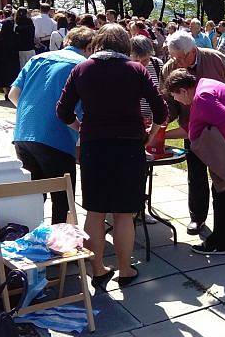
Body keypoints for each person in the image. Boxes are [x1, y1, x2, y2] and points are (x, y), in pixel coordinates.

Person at [56, 25, 167, 287]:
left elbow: (62, 111)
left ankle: (97, 269)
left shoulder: (82, 69)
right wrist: (149, 136)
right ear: (124, 44)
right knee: (124, 213)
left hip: (94, 147)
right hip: (129, 148)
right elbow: (161, 112)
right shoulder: (136, 69)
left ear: (98, 42)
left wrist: (81, 127)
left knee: (95, 211)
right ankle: (125, 269)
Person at [164, 70, 225, 255]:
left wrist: (220, 145)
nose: (176, 100)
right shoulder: (204, 86)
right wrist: (163, 136)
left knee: (224, 192)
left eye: (175, 95)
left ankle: (219, 243)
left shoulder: (202, 98)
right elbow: (191, 128)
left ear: (184, 90)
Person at [160, 31, 225, 235]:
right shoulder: (170, 68)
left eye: (182, 57)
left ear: (193, 50)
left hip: (220, 129)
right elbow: (170, 100)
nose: (178, 62)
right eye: (174, 57)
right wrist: (165, 120)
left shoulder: (213, 58)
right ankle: (197, 218)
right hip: (190, 130)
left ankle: (224, 224)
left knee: (223, 174)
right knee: (196, 175)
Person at [10, 26, 95, 225]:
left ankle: (31, 236)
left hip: (24, 134)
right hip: (57, 138)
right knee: (63, 199)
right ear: (90, 47)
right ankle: (58, 246)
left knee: (34, 195)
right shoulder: (83, 66)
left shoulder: (37, 59)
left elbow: (13, 95)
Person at [130, 35, 165, 125]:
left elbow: (163, 92)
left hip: (154, 120)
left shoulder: (158, 64)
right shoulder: (126, 67)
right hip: (133, 120)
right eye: (137, 61)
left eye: (145, 60)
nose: (141, 65)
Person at [0, 18, 20, 99]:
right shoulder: (15, 35)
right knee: (12, 77)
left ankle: (6, 92)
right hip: (13, 60)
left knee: (3, 78)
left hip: (2, 60)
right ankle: (11, 92)